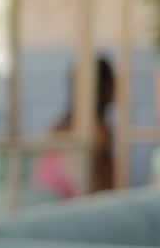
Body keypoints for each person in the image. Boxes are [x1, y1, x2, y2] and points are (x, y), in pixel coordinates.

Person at [31, 54, 115, 199]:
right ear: (105, 87)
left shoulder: (56, 128)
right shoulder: (99, 133)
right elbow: (107, 191)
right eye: (113, 83)